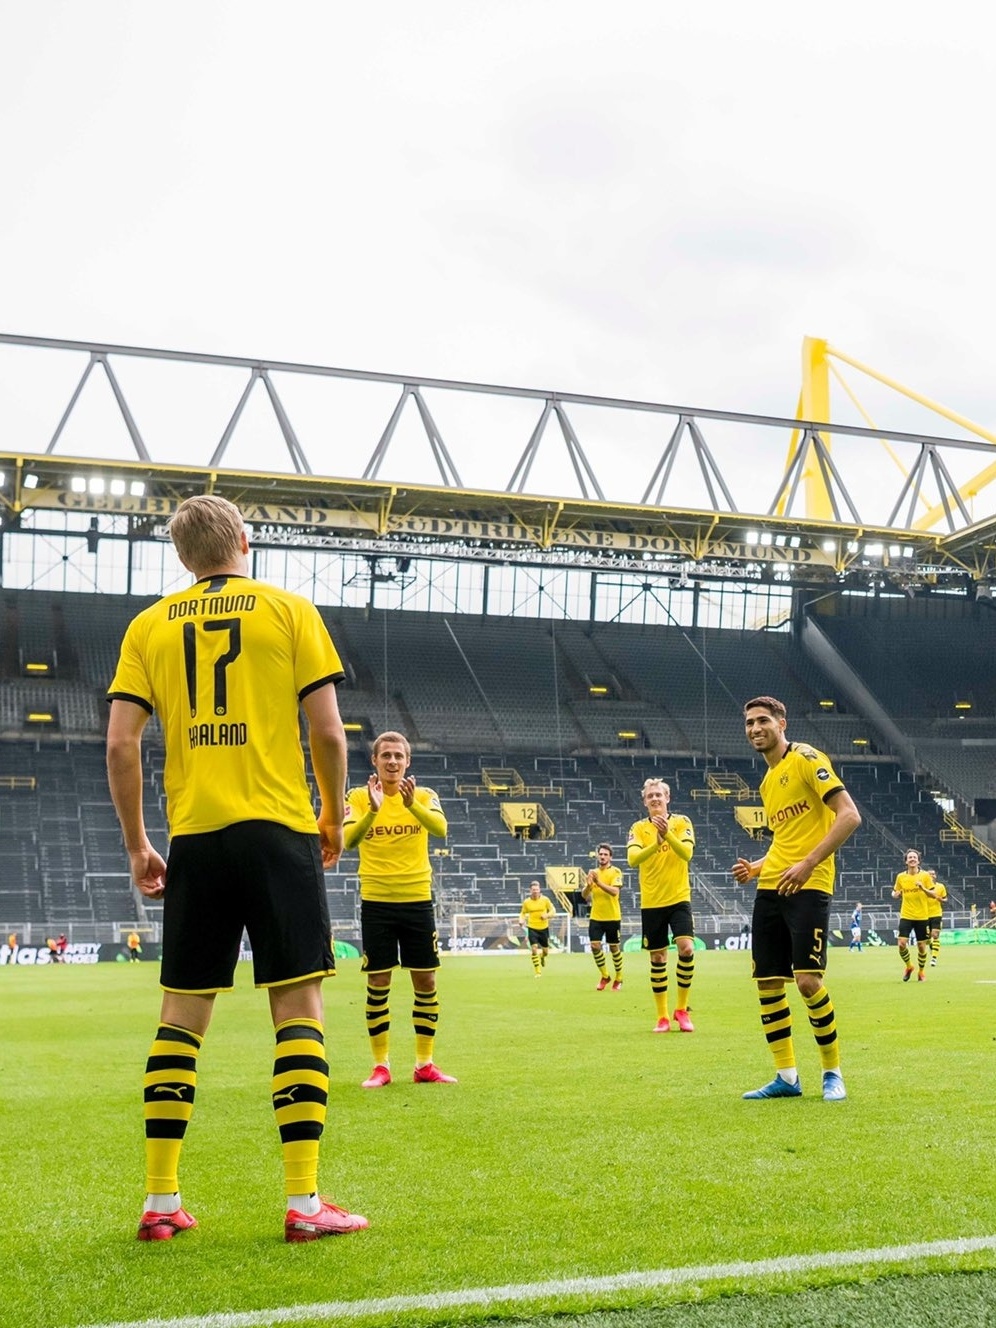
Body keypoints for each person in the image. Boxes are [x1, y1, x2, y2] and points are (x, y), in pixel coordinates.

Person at [106, 493, 367, 1243]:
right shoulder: (289, 610)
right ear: (244, 542)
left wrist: (137, 845)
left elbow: (122, 746)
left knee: (180, 1019)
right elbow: (326, 730)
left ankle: (160, 1202)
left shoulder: (147, 626)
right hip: (278, 830)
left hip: (197, 838)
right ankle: (304, 1202)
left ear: (182, 558)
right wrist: (330, 812)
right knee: (298, 1010)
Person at [732, 696, 861, 1102]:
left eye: (763, 720)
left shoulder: (807, 757)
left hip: (810, 883)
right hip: (771, 884)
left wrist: (808, 864)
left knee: (807, 981)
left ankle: (832, 1073)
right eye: (750, 722)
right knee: (768, 982)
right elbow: (784, 840)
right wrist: (756, 867)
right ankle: (786, 1077)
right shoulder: (768, 782)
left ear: (782, 722)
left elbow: (849, 815)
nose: (755, 728)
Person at [343, 731, 456, 1088]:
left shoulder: (424, 795)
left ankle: (425, 1064)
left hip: (417, 900)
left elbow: (440, 828)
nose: (392, 761)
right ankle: (381, 1066)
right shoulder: (358, 797)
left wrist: (411, 806)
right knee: (378, 982)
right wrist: (373, 811)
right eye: (386, 756)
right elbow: (348, 841)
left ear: (408, 762)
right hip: (377, 902)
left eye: (398, 756)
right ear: (374, 761)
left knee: (426, 980)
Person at [627, 777, 696, 1032]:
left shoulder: (681, 822)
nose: (655, 798)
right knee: (658, 957)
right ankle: (662, 1016)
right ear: (645, 802)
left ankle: (681, 1009)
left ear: (667, 798)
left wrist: (667, 835)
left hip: (679, 898)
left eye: (659, 795)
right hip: (652, 901)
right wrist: (656, 843)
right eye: (650, 796)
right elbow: (633, 859)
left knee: (687, 948)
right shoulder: (638, 828)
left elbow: (687, 854)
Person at [582, 843, 624, 990]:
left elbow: (615, 892)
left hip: (612, 917)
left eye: (606, 854)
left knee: (614, 948)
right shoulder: (593, 872)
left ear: (610, 857)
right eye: (601, 854)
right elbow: (584, 895)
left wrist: (598, 882)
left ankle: (619, 977)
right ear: (597, 856)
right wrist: (588, 885)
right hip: (596, 917)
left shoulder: (616, 872)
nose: (603, 856)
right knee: (595, 946)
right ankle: (605, 976)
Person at [891, 849, 937, 982]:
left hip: (922, 916)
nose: (912, 859)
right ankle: (909, 966)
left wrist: (923, 888)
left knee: (922, 947)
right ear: (906, 861)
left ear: (918, 860)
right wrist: (895, 895)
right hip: (906, 915)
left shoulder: (925, 876)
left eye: (914, 857)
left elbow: (934, 895)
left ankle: (921, 972)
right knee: (901, 944)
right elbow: (894, 892)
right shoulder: (901, 877)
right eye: (910, 857)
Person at [519, 879, 556, 977]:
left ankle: (542, 957)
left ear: (540, 890)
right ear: (530, 891)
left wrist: (547, 915)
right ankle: (538, 972)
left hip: (543, 928)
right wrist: (521, 920)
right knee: (534, 948)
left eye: (537, 889)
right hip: (532, 928)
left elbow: (553, 910)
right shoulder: (527, 902)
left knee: (545, 952)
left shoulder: (545, 900)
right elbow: (523, 913)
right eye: (533, 890)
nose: (535, 891)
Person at [926, 870, 947, 967]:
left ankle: (934, 958)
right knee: (927, 938)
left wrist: (941, 900)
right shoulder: (923, 888)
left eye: (933, 874)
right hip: (924, 915)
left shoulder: (940, 886)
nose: (932, 876)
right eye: (929, 874)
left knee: (935, 935)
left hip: (936, 914)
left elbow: (945, 899)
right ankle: (930, 945)